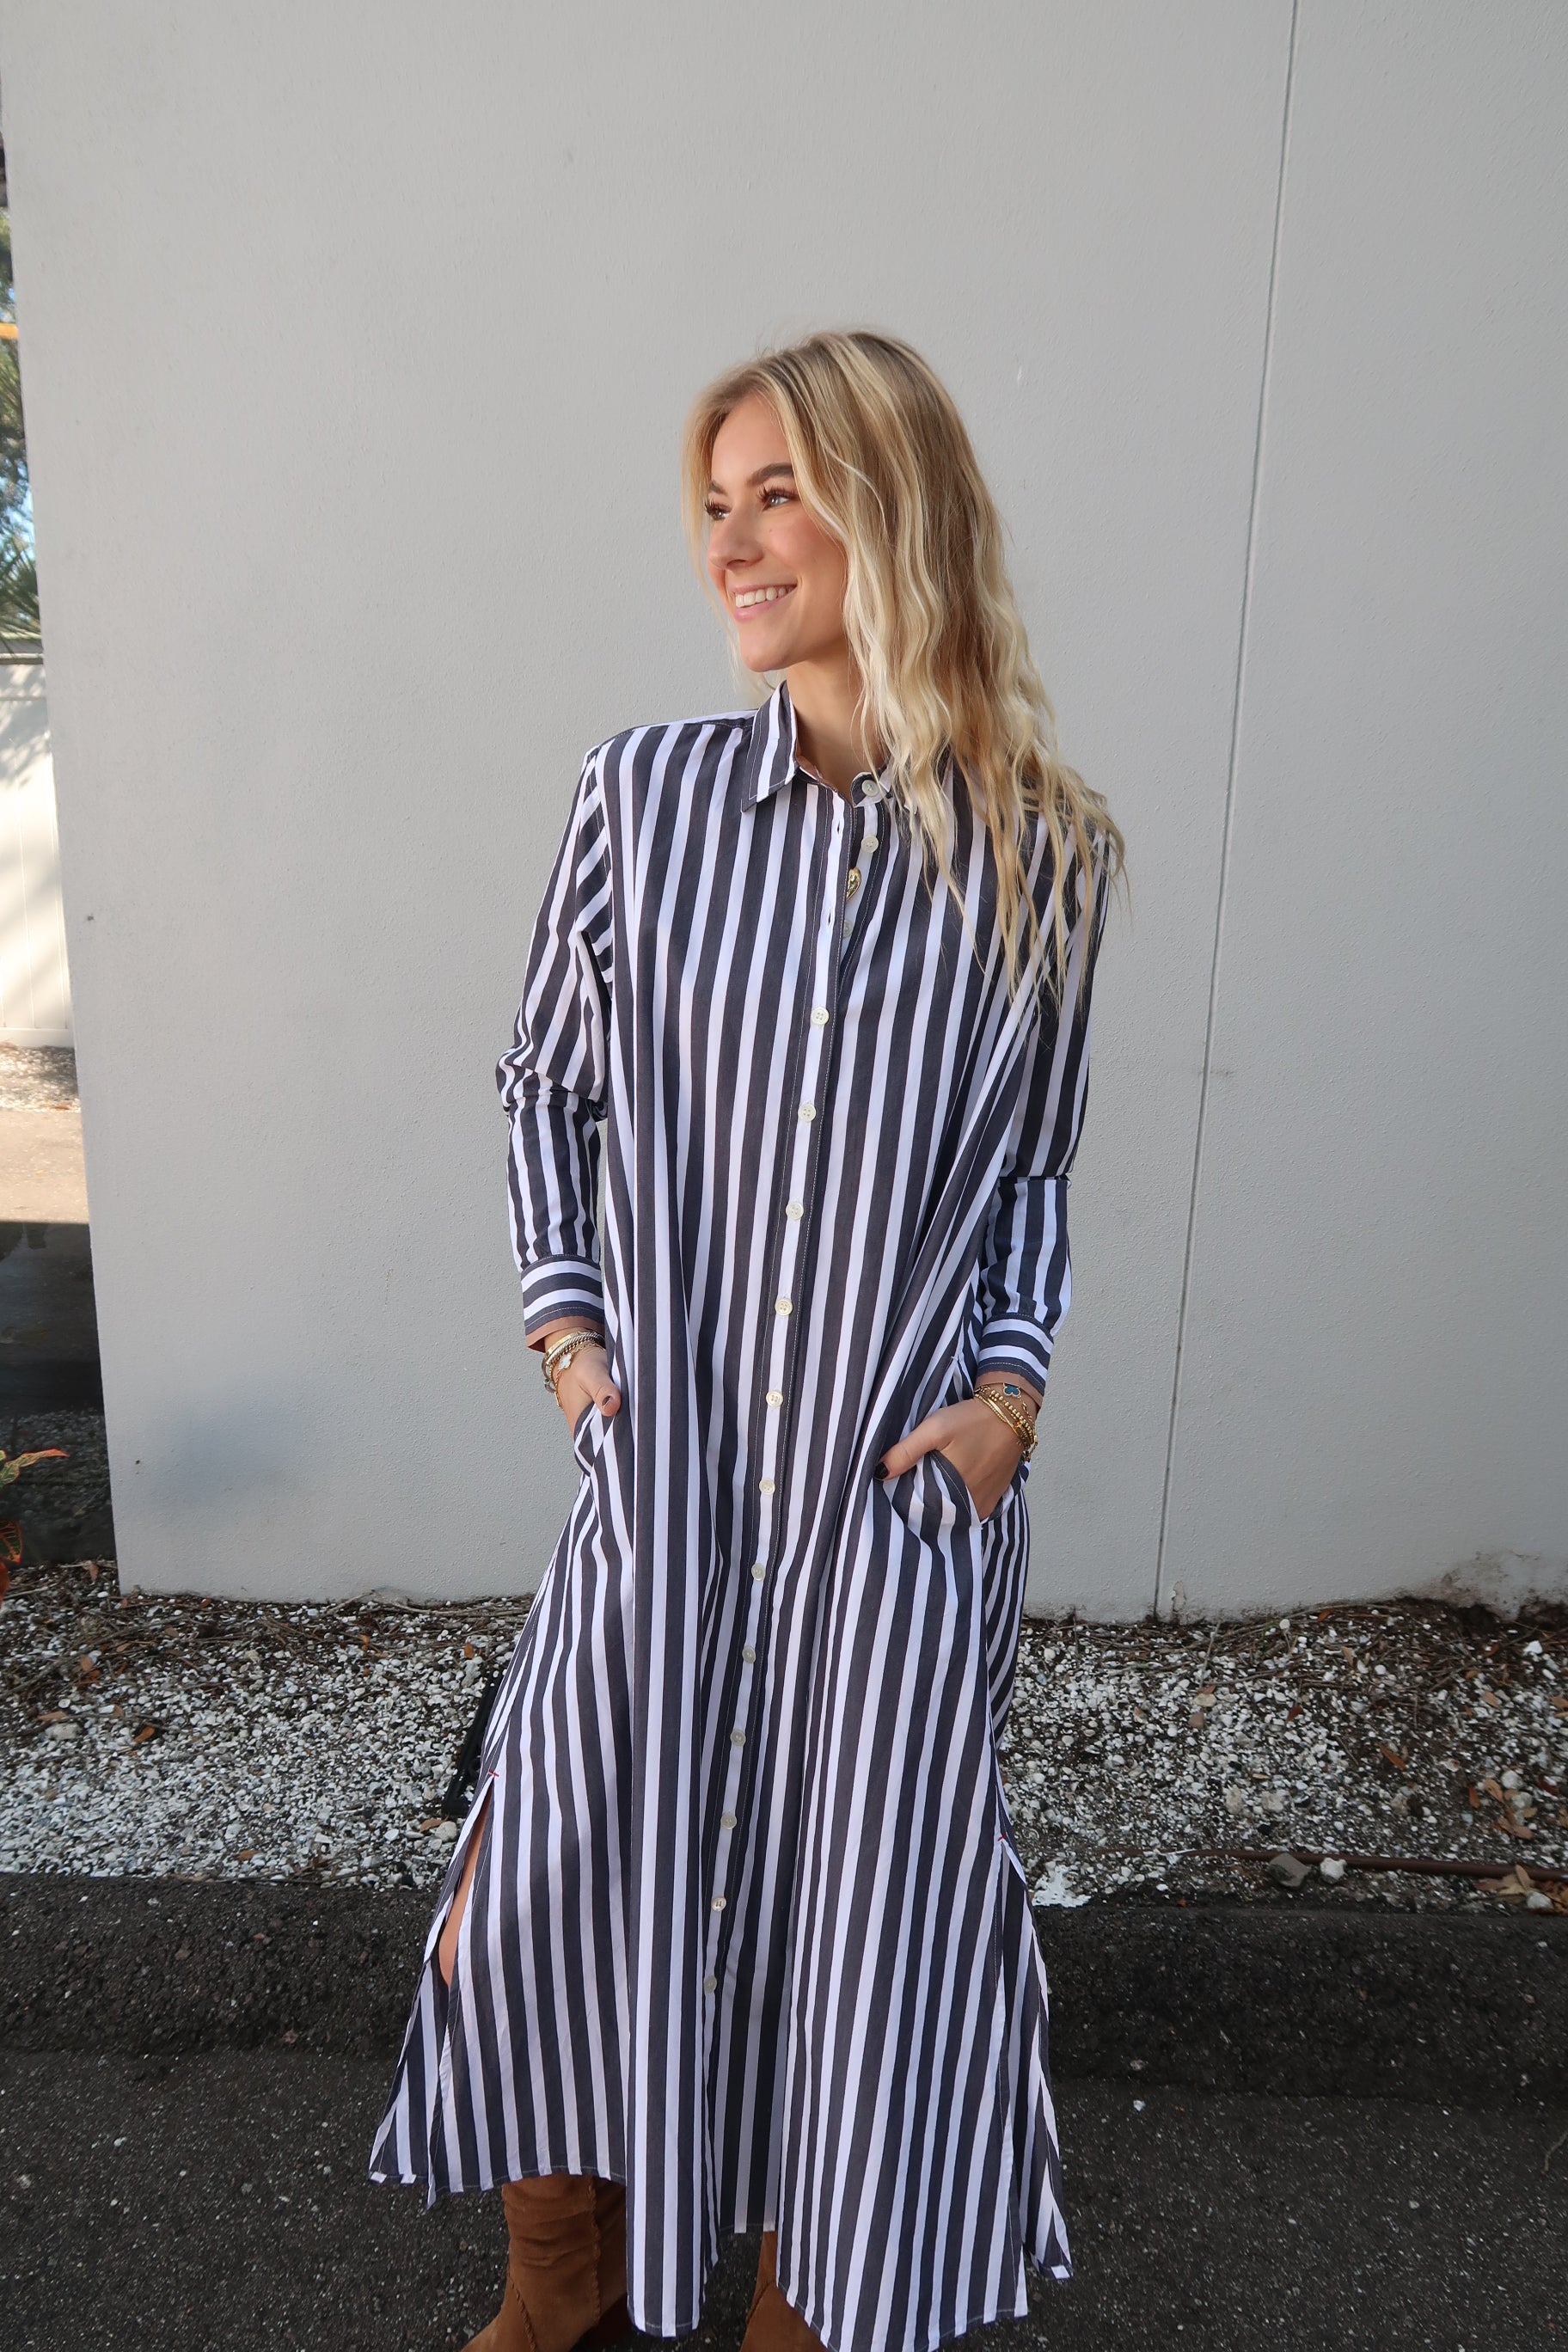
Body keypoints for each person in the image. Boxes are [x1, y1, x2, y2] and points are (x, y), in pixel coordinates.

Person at [369, 328, 1124, 2352]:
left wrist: (1007, 1410)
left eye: (776, 490)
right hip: (672, 1479)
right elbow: (544, 1082)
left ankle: (800, 2314)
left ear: (896, 505)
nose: (734, 540)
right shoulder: (647, 798)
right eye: (715, 505)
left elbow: (1035, 1170)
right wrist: (572, 1349)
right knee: (547, 1888)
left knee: (853, 1957)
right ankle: (559, 2293)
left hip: (890, 1510)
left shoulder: (1044, 852)